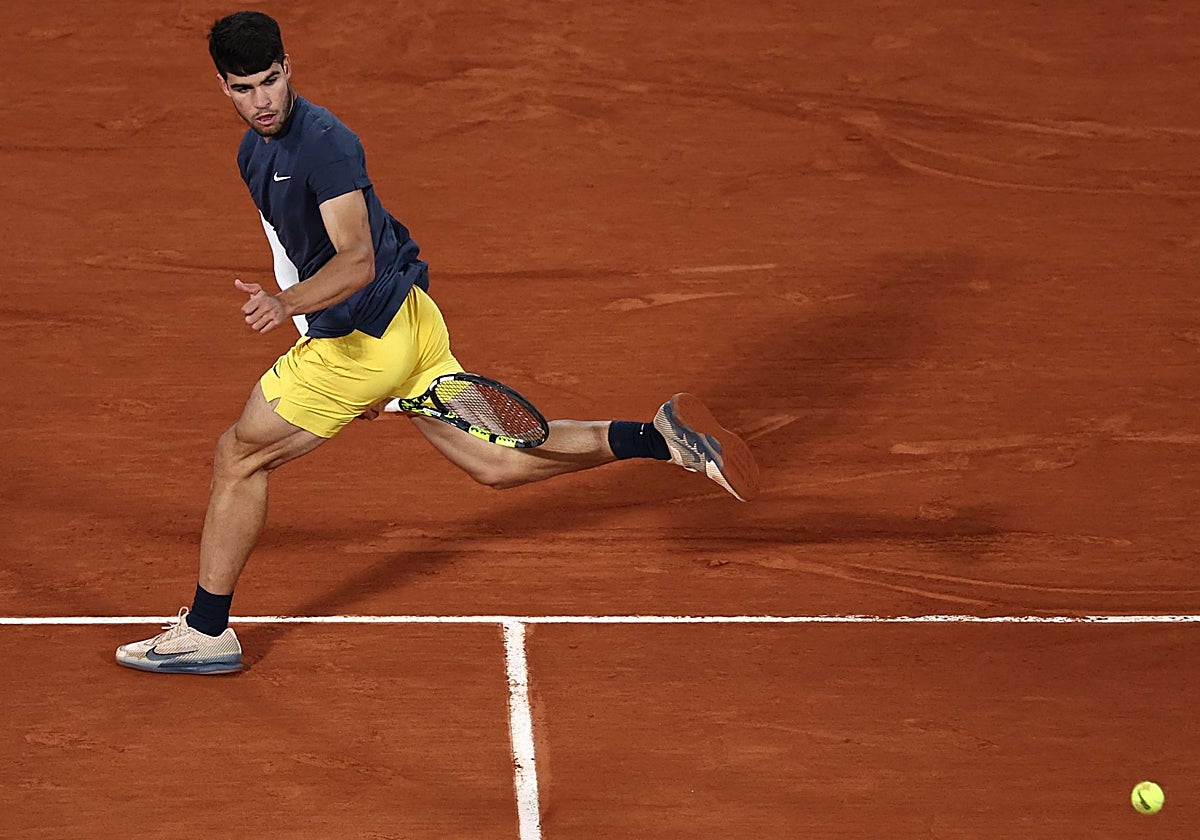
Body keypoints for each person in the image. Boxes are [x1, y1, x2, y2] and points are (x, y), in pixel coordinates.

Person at [115, 11, 761, 675]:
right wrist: (326, 336)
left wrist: (291, 312)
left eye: (272, 81)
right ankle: (659, 437)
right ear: (223, 88)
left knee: (240, 456)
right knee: (497, 465)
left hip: (367, 333)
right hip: (407, 322)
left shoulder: (326, 143)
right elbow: (296, 254)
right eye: (246, 88)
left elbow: (355, 258)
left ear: (290, 68)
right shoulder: (254, 154)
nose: (263, 101)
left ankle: (207, 629)